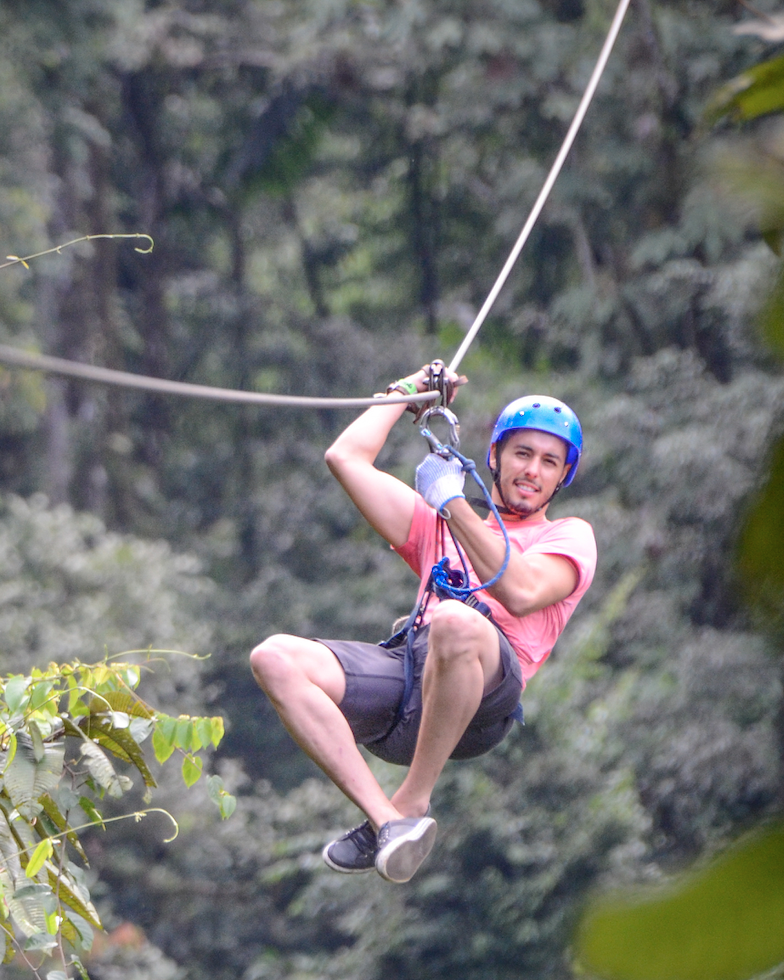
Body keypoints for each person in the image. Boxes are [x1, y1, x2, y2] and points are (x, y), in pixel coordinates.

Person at [249, 366, 598, 883]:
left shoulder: (569, 536)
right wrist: (404, 393)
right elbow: (344, 458)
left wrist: (452, 503)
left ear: (562, 476)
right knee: (274, 658)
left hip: (485, 697)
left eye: (550, 462)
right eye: (523, 454)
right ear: (495, 457)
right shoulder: (439, 522)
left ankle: (411, 800)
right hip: (412, 679)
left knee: (454, 621)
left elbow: (520, 591)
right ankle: (386, 820)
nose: (533, 470)